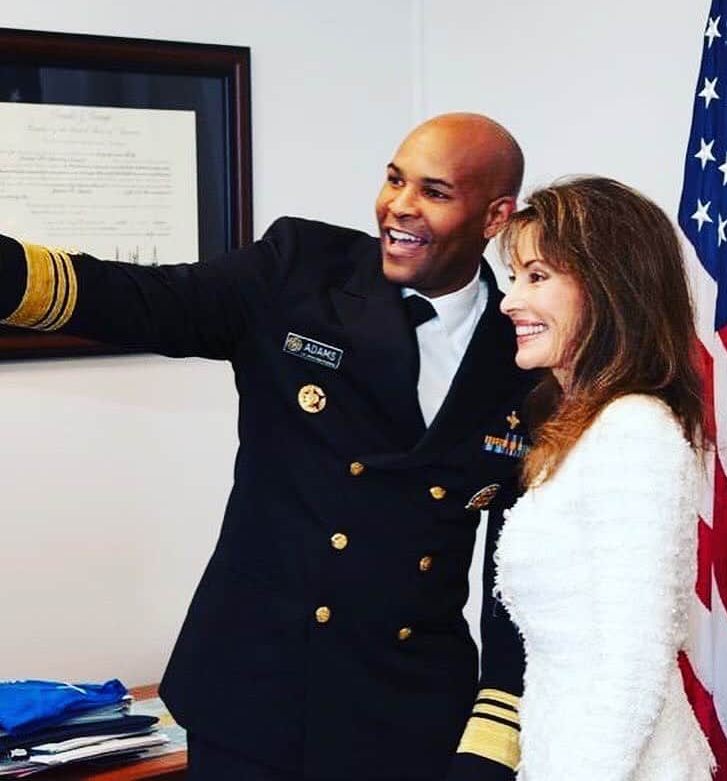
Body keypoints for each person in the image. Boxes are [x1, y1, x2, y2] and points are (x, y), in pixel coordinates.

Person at [0, 113, 536, 780]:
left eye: (434, 191)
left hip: (409, 706)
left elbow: (519, 572)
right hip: (255, 688)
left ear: (495, 216)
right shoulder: (300, 270)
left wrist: (497, 728)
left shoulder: (524, 352)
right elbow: (143, 298)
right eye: (394, 179)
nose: (398, 205)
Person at [495, 177, 716, 780]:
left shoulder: (633, 432)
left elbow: (635, 663)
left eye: (536, 276)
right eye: (514, 277)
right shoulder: (584, 433)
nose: (510, 300)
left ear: (607, 289)